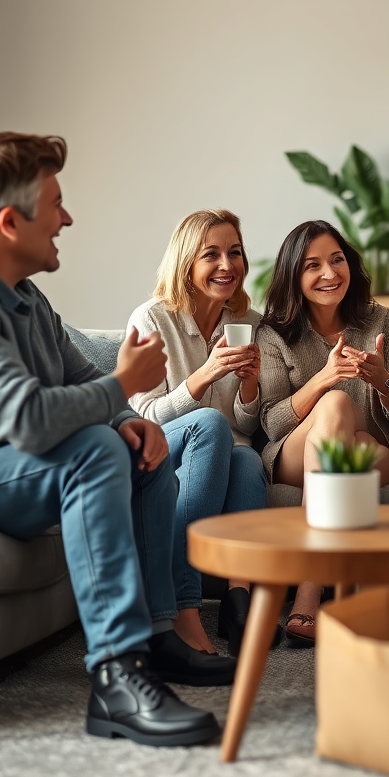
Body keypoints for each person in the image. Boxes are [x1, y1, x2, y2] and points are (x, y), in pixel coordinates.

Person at [0, 131, 234, 748]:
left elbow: (80, 378)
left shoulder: (24, 296)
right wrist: (122, 390)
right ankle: (117, 676)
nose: (67, 218)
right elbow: (30, 418)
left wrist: (129, 418)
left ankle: (156, 635)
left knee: (138, 445)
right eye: (55, 204)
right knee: (93, 453)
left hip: (6, 467)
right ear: (10, 221)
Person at [257, 220, 389, 644]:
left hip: (373, 452)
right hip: (296, 454)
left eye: (337, 260)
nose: (329, 274)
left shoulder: (381, 320)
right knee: (335, 403)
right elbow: (271, 423)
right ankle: (318, 588)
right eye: (313, 266)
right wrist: (323, 379)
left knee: (354, 442)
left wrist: (385, 381)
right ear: (294, 276)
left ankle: (312, 595)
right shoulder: (273, 332)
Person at [127, 209, 267, 657]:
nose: (227, 265)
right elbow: (144, 414)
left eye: (235, 253)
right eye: (212, 255)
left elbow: (245, 427)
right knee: (209, 423)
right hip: (160, 451)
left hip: (222, 452)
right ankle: (180, 602)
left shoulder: (249, 322)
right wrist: (201, 378)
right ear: (186, 262)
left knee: (246, 457)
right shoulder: (152, 319)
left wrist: (249, 386)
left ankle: (236, 601)